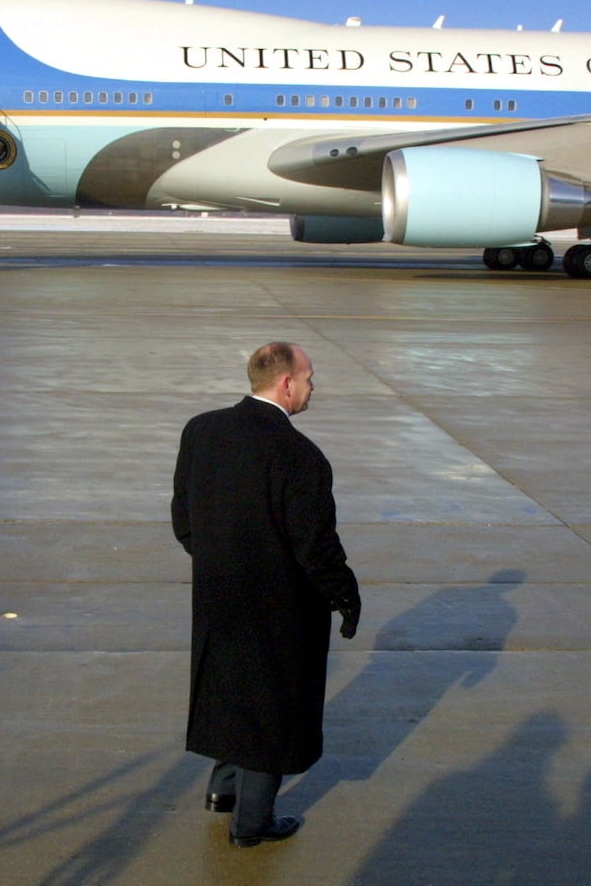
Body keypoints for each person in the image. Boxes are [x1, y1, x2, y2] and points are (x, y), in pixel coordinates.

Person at [171, 342, 361, 848]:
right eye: (310, 378)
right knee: (272, 709)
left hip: (216, 595)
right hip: (280, 608)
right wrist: (345, 594)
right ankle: (252, 826)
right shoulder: (300, 455)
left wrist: (219, 563)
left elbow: (183, 520)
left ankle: (222, 791)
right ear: (286, 384)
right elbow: (316, 545)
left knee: (227, 689)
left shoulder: (202, 430)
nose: (313, 387)